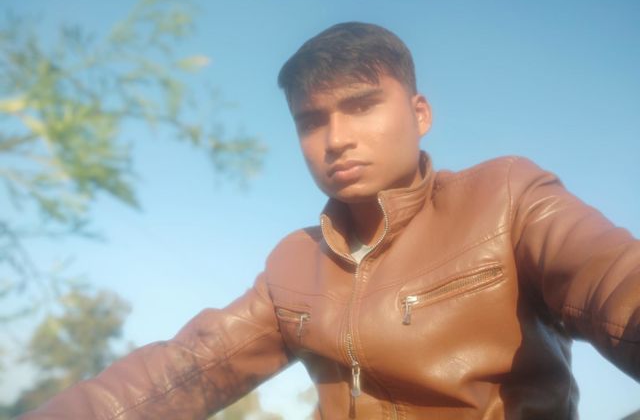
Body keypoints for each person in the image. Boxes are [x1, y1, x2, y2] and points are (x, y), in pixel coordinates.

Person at [19, 22, 639, 419]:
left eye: (361, 106)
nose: (335, 139)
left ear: (420, 113)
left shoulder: (504, 198)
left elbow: (614, 281)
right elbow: (185, 370)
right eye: (311, 121)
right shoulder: (294, 264)